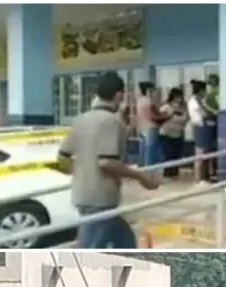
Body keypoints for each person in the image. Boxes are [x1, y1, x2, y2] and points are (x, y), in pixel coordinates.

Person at [58, 72, 159, 249]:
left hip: (83, 194)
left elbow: (62, 158)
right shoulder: (111, 122)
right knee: (90, 248)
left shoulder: (80, 119)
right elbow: (106, 163)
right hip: (100, 200)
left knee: (125, 240)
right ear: (119, 95)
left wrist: (81, 173)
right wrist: (141, 177)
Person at [136, 81, 170, 168]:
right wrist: (167, 116)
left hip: (142, 127)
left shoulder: (139, 101)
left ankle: (142, 167)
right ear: (148, 90)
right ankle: (149, 168)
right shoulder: (149, 102)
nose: (153, 93)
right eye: (152, 91)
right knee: (150, 150)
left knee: (143, 149)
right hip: (151, 127)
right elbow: (153, 116)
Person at [188, 80, 215, 184]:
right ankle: (198, 179)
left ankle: (205, 177)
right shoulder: (194, 101)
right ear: (201, 90)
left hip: (205, 128)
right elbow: (204, 114)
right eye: (205, 90)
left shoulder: (201, 101)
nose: (206, 93)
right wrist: (211, 114)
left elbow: (210, 111)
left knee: (206, 154)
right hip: (199, 128)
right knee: (200, 154)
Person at [158, 87, 189, 175]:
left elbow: (187, 118)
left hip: (178, 134)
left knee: (177, 155)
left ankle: (174, 173)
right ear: (172, 96)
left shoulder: (184, 107)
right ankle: (167, 173)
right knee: (168, 155)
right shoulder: (166, 107)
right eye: (177, 96)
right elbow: (160, 119)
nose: (179, 99)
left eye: (180, 96)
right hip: (166, 134)